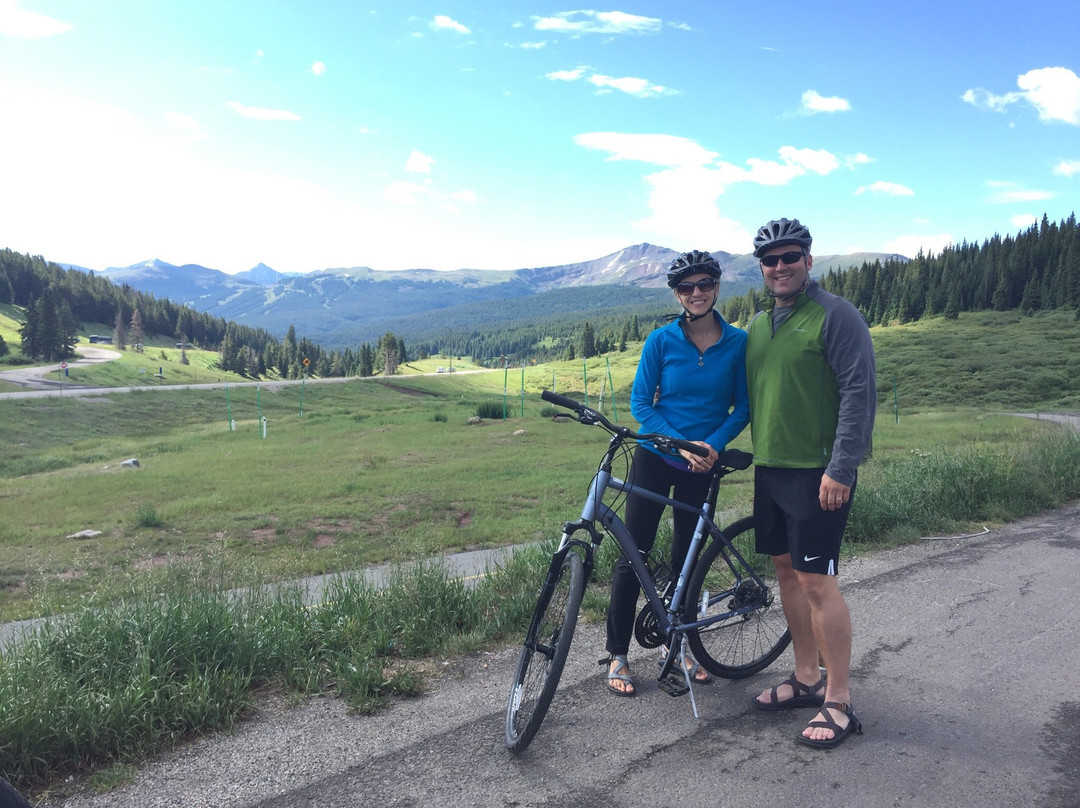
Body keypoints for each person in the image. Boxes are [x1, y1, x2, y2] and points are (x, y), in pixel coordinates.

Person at [744, 218, 876, 748]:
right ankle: (805, 677)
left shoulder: (837, 316)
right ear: (761, 268)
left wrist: (842, 467)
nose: (780, 266)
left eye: (789, 256)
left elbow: (858, 393)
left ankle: (838, 701)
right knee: (786, 573)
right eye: (770, 259)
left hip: (819, 473)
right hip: (770, 467)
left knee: (818, 582)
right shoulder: (757, 325)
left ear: (808, 260)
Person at [604, 250, 750, 696]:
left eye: (704, 284)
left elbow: (742, 406)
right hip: (656, 457)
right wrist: (679, 444)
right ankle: (618, 655)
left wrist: (712, 446)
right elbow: (641, 405)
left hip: (703, 462)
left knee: (687, 560)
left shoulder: (739, 342)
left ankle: (681, 645)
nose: (696, 293)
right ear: (676, 294)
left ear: (717, 287)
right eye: (687, 287)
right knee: (635, 555)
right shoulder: (660, 341)